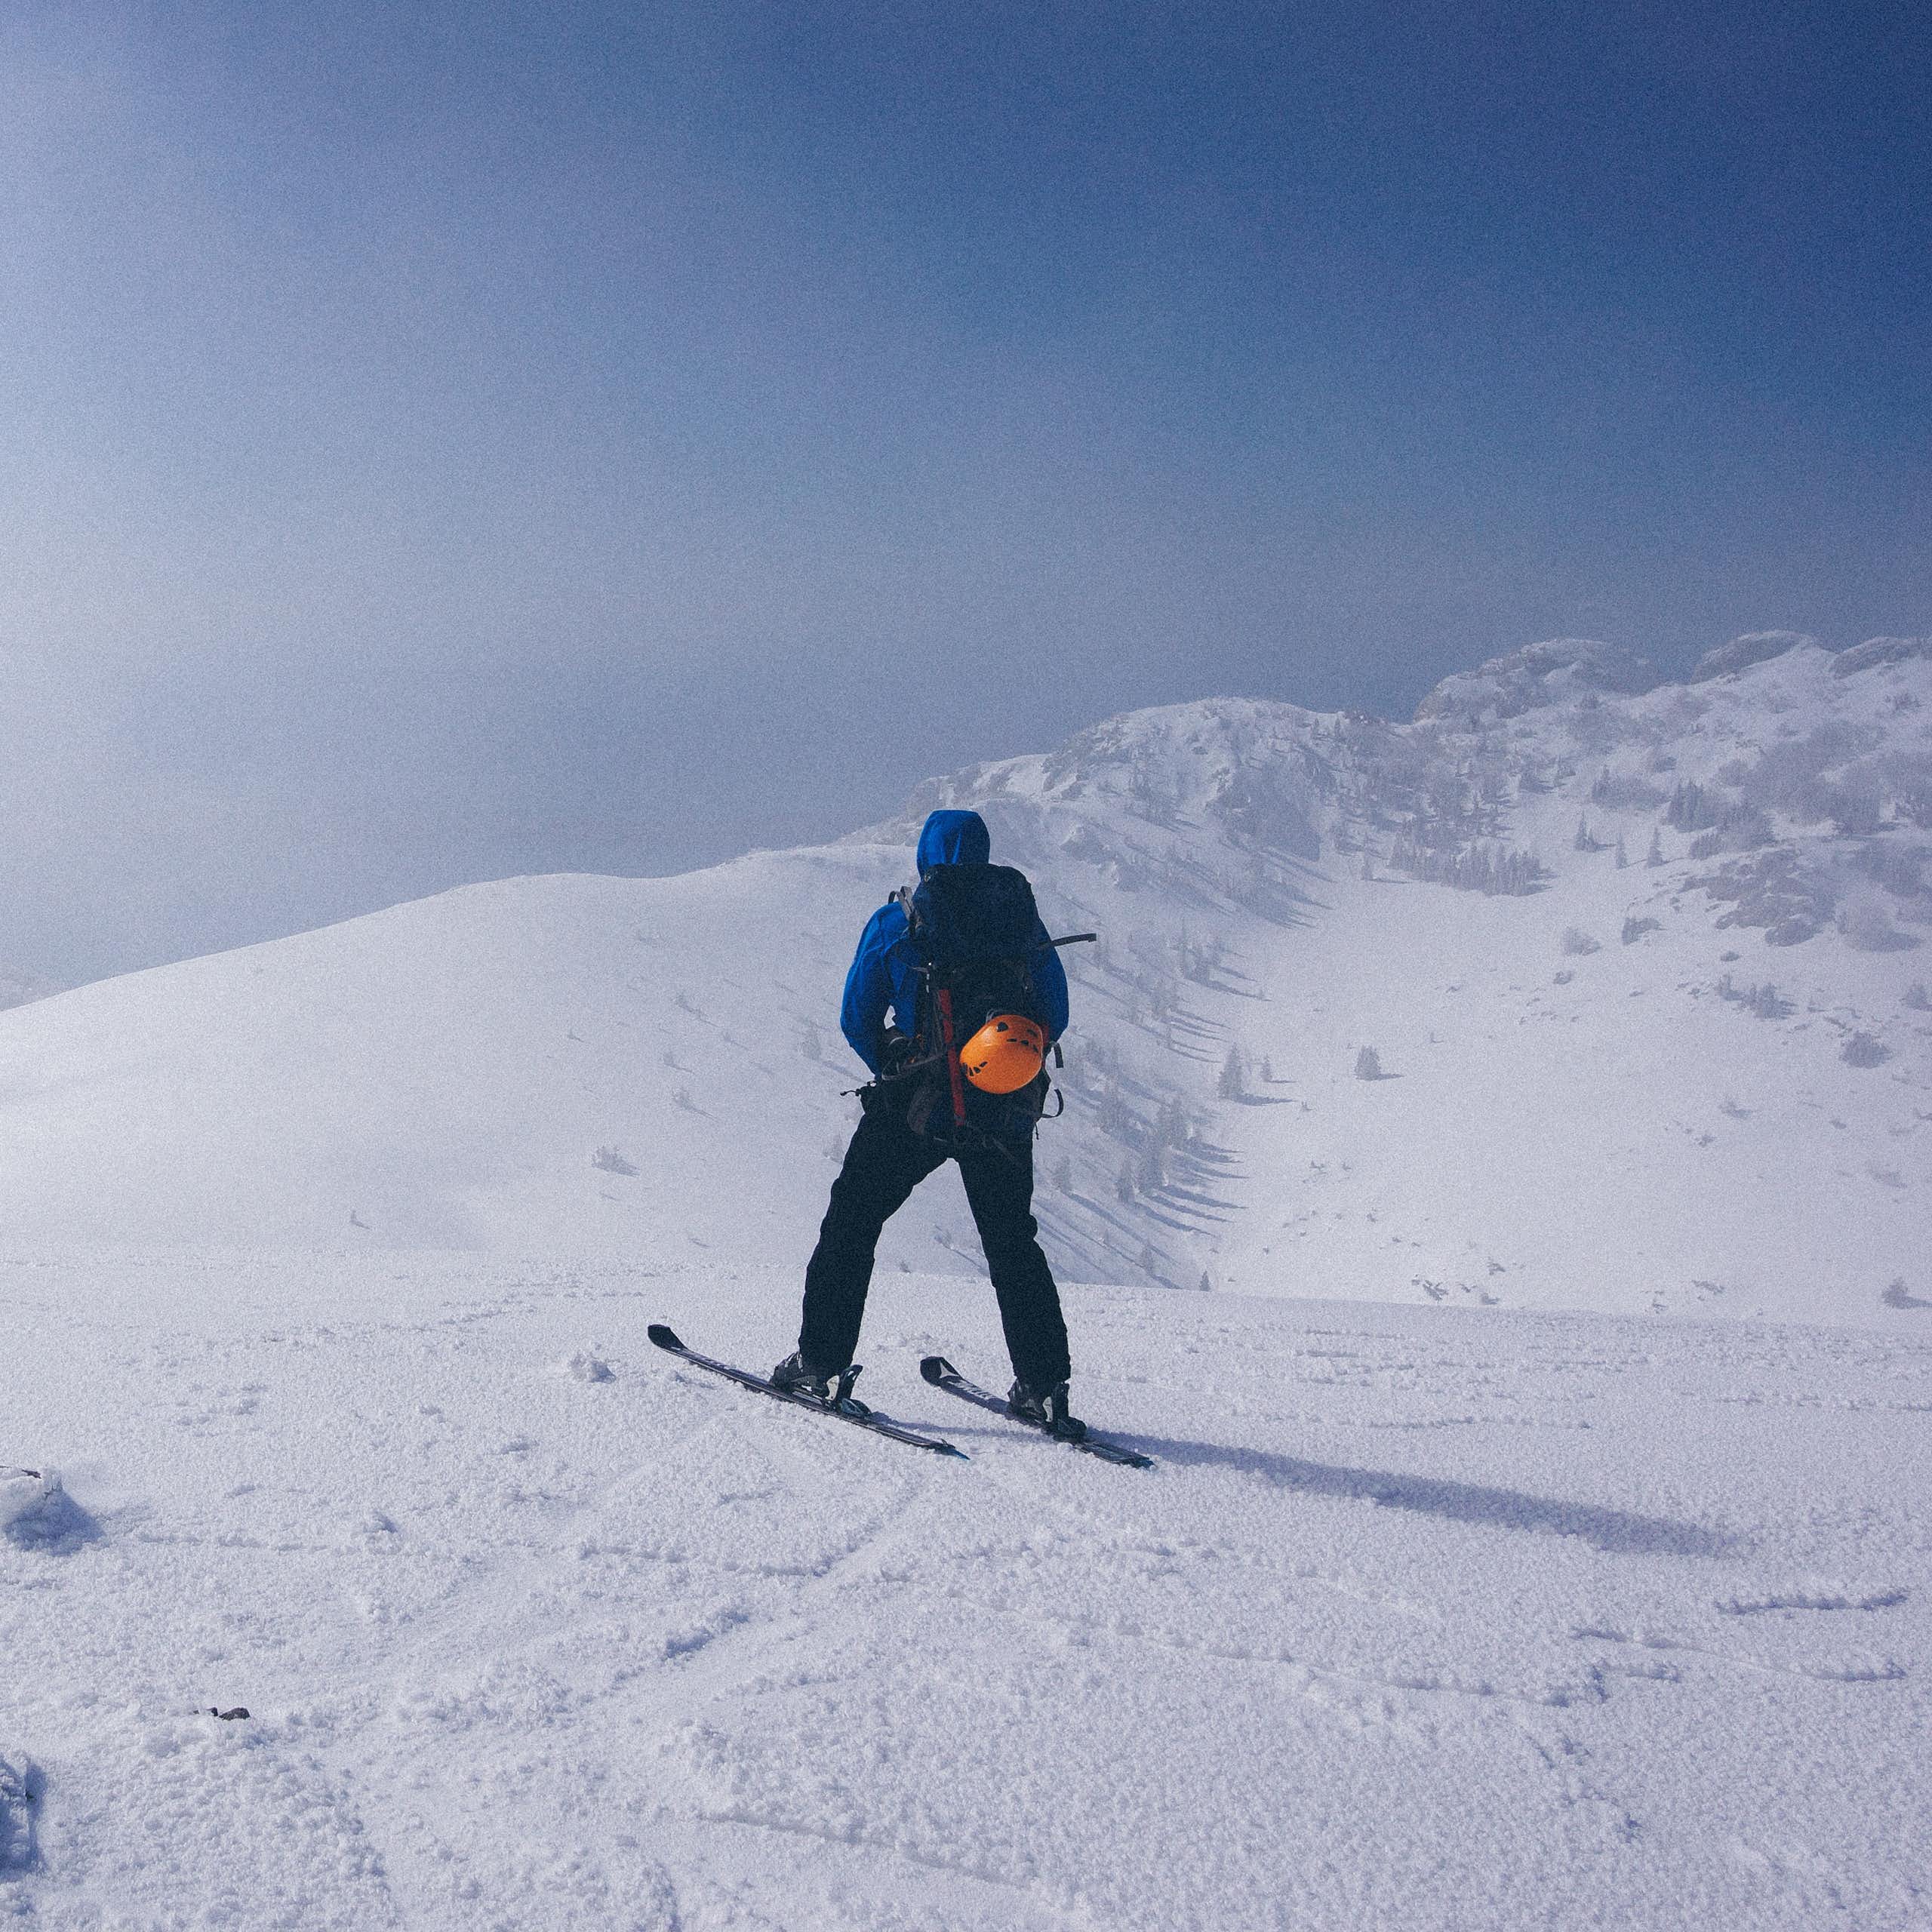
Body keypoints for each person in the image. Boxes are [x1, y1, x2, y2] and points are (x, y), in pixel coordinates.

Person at [774, 808, 1084, 1436]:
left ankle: (821, 1363)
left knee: (854, 1222)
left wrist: (894, 1058)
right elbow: (1056, 1011)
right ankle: (1045, 1388)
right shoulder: (1023, 921)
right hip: (1003, 1110)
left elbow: (855, 1016)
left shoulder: (901, 919)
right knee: (1011, 1242)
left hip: (916, 1104)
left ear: (924, 855)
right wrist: (999, 1070)